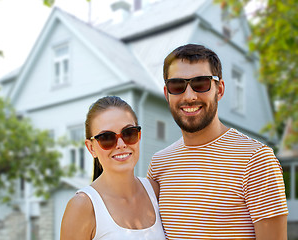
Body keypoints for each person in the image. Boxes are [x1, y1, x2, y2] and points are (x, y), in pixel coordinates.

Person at [147, 44, 288, 239]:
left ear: (219, 89)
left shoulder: (256, 159)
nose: (189, 96)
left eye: (201, 83)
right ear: (166, 94)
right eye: (177, 85)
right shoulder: (159, 164)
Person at [61, 96, 166, 240]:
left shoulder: (156, 192)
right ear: (91, 148)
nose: (121, 144)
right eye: (106, 138)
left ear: (139, 135)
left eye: (129, 133)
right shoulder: (83, 206)